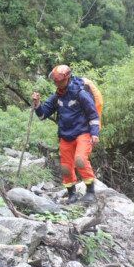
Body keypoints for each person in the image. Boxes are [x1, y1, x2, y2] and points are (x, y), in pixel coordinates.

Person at [31, 65, 100, 203]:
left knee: (80, 160)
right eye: (55, 81)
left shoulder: (80, 93)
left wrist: (94, 133)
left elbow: (93, 114)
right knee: (65, 167)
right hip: (65, 135)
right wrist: (37, 104)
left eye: (59, 81)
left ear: (66, 78)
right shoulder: (58, 96)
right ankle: (72, 195)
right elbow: (43, 115)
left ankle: (90, 192)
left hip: (83, 132)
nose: (56, 83)